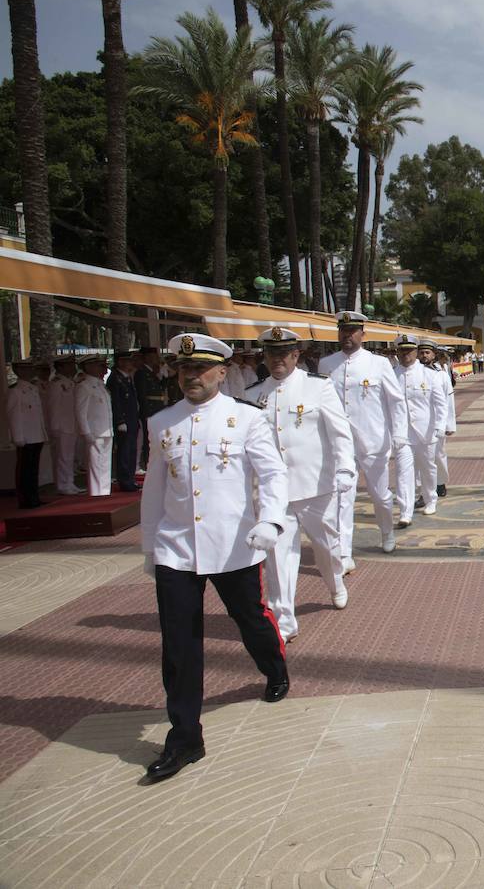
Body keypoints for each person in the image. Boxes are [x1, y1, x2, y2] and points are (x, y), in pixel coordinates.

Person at [141, 332, 290, 783]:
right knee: (179, 645)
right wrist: (150, 547)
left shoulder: (246, 418)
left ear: (222, 372)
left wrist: (271, 521)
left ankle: (273, 667)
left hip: (233, 544)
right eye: (183, 369)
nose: (191, 376)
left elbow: (273, 473)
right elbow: (155, 489)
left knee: (250, 619)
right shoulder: (162, 422)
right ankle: (186, 737)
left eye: (201, 369)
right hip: (177, 548)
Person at [246, 327, 353, 643]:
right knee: (278, 556)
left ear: (296, 355)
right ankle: (284, 620)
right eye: (271, 354)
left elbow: (340, 431)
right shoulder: (253, 394)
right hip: (273, 492)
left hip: (315, 484)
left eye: (283, 354)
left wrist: (345, 469)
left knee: (326, 546)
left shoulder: (318, 386)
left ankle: (335, 581)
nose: (277, 360)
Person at [318, 312, 407, 568]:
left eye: (352, 331)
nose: (347, 336)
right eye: (343, 331)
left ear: (362, 334)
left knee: (380, 496)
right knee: (343, 497)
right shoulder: (326, 364)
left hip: (373, 440)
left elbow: (396, 401)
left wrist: (399, 433)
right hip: (339, 443)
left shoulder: (378, 364)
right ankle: (344, 552)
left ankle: (387, 532)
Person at [393, 333, 446, 524]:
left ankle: (431, 499)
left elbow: (440, 404)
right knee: (403, 471)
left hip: (426, 430)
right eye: (402, 351)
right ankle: (405, 511)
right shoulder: (391, 375)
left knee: (427, 468)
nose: (406, 354)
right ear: (397, 352)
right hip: (401, 432)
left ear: (416, 352)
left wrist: (440, 426)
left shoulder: (429, 375)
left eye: (409, 350)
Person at [6, 360, 47, 508]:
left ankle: (34, 497)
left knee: (33, 469)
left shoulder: (32, 389)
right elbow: (13, 415)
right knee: (24, 469)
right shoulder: (15, 391)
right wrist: (17, 437)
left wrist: (42, 432)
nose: (30, 372)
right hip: (25, 437)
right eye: (26, 369)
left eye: (31, 368)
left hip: (36, 434)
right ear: (18, 371)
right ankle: (25, 499)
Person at [420, 341, 456, 498]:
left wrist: (449, 424)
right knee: (419, 458)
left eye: (427, 352)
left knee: (438, 454)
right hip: (417, 423)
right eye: (421, 352)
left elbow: (449, 400)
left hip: (437, 422)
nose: (424, 355)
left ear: (434, 355)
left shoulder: (440, 375)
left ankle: (440, 482)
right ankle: (424, 489)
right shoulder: (412, 373)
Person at [75, 354, 114, 496]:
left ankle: (105, 492)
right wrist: (85, 432)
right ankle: (97, 494)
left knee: (105, 464)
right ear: (88, 367)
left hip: (106, 429)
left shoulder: (100, 385)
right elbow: (80, 412)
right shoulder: (84, 386)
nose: (102, 368)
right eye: (98, 365)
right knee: (96, 465)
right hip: (94, 431)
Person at [43, 355, 82, 495]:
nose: (73, 367)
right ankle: (63, 484)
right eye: (69, 364)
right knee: (63, 456)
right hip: (61, 426)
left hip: (71, 424)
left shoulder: (70, 382)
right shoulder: (56, 384)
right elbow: (52, 407)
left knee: (69, 456)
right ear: (60, 367)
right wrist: (54, 427)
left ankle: (69, 482)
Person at [108, 350, 141, 492]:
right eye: (127, 361)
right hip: (124, 421)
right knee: (124, 452)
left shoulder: (126, 377)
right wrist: (120, 420)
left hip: (132, 419)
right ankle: (125, 481)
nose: (131, 363)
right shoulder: (115, 379)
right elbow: (116, 402)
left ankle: (130, 479)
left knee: (131, 450)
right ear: (120, 362)